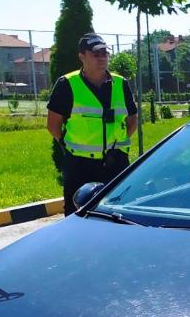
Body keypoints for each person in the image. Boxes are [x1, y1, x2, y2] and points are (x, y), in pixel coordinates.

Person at [47, 34, 138, 215]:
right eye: (96, 54)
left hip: (115, 161)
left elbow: (132, 120)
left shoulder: (121, 83)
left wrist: (118, 145)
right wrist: (69, 145)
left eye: (105, 53)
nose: (102, 57)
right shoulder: (67, 84)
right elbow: (53, 124)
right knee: (76, 213)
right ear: (82, 56)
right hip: (79, 165)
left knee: (118, 214)